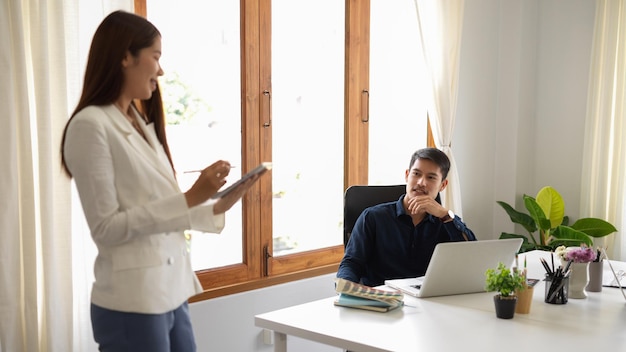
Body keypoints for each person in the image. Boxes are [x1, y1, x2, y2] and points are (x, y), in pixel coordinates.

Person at [60, 11, 263, 352]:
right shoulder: (90, 126)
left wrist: (216, 204)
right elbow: (106, 228)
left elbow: (157, 212)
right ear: (126, 56)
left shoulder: (137, 121)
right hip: (132, 302)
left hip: (170, 292)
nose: (161, 70)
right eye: (155, 57)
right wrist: (189, 198)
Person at [337, 147, 476, 287]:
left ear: (443, 185)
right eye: (416, 174)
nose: (421, 182)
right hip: (381, 299)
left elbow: (471, 255)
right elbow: (351, 263)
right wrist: (347, 289)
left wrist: (445, 215)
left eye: (431, 177)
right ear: (407, 175)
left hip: (427, 300)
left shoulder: (445, 221)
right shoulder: (372, 217)